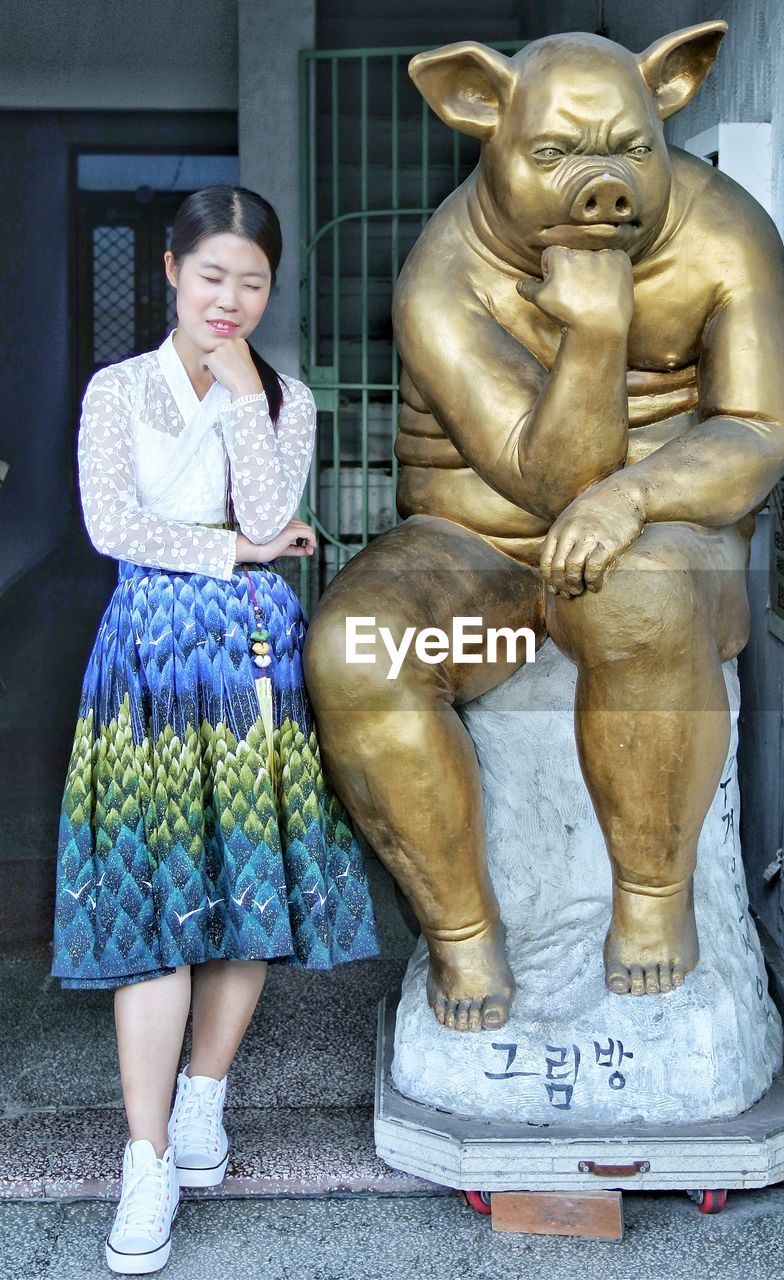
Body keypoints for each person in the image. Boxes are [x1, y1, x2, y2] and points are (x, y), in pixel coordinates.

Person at [50, 184, 380, 1274]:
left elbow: (267, 506)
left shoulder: (287, 398)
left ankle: (204, 1098)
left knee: (244, 890)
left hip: (250, 664)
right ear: (170, 272)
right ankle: (146, 1162)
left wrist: (244, 398)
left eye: (251, 281)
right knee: (153, 897)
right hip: (148, 652)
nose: (230, 299)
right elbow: (114, 526)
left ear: (270, 286)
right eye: (211, 277)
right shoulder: (116, 390)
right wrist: (237, 552)